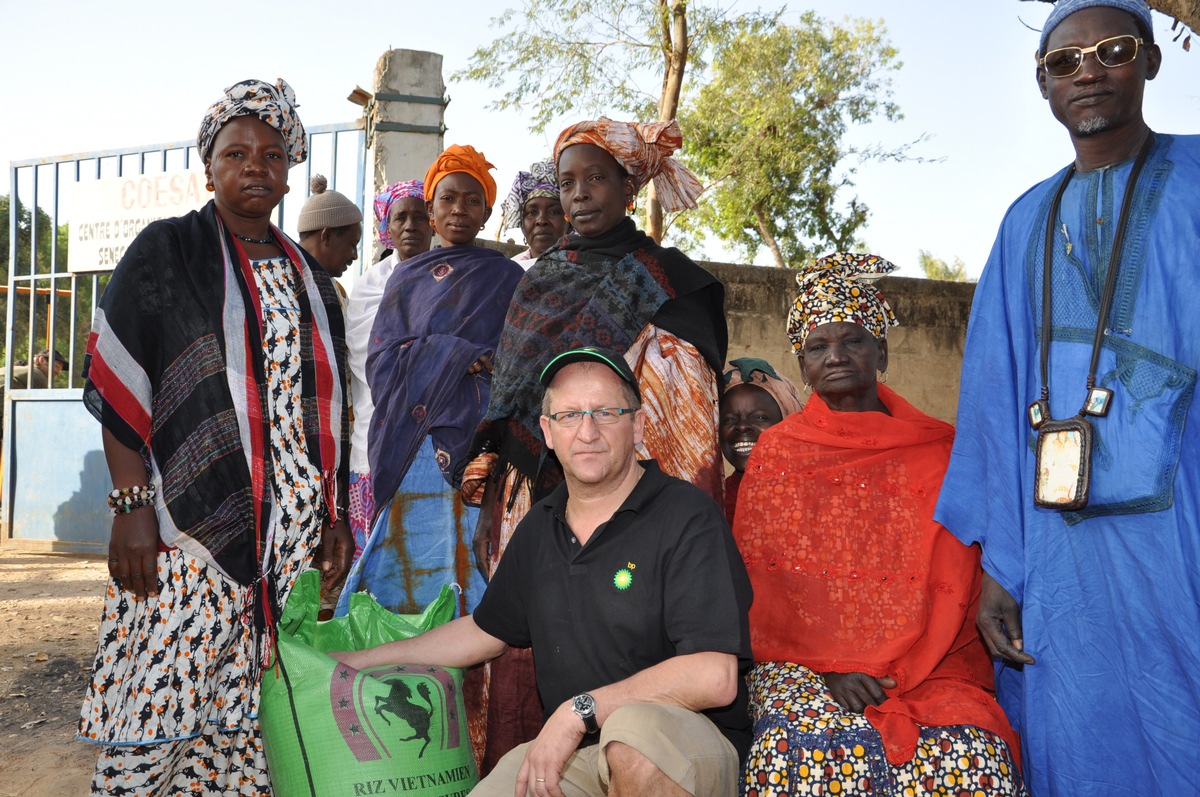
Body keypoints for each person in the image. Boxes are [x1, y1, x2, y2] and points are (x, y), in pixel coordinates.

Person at [934, 1, 1200, 793]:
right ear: (1043, 83)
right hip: (1060, 546)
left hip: (1180, 523)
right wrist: (999, 569)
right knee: (1074, 733)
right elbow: (990, 404)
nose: (1088, 70)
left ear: (1150, 62)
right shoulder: (1024, 221)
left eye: (1112, 50)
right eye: (1064, 60)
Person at [76, 78, 353, 796]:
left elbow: (327, 411)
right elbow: (120, 385)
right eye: (236, 152)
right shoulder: (167, 253)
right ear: (208, 167)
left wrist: (331, 518)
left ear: (290, 169)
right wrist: (131, 504)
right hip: (185, 533)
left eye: (270, 154)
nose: (254, 166)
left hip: (287, 544)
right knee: (157, 712)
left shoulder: (312, 281)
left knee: (250, 723)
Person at [337, 346, 752, 797]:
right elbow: (484, 631)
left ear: (638, 425)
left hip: (685, 745)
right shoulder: (541, 525)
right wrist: (352, 665)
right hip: (580, 752)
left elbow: (714, 676)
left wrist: (579, 711)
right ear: (548, 433)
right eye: (570, 415)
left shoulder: (685, 515)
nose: (588, 432)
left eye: (606, 413)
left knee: (633, 740)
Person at [465, 116, 727, 770]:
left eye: (596, 178)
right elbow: (515, 394)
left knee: (632, 653)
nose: (578, 194)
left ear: (629, 185)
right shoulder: (539, 277)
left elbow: (686, 398)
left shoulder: (672, 278)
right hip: (534, 504)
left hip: (631, 505)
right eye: (567, 181)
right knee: (524, 647)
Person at [734, 253, 1026, 797]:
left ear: (882, 351)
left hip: (936, 661)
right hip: (803, 667)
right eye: (818, 347)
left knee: (974, 753)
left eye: (854, 341)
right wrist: (827, 671)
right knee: (793, 752)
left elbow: (963, 571)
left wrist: (900, 660)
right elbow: (766, 590)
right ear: (801, 366)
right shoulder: (779, 451)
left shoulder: (943, 448)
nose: (836, 356)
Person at [337, 145, 523, 620]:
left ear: (485, 212)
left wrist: (484, 362)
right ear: (432, 212)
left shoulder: (506, 277)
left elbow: (520, 361)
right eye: (447, 200)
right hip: (412, 449)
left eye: (472, 200)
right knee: (403, 569)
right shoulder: (406, 279)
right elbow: (380, 362)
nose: (459, 209)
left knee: (475, 568)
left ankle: (470, 683)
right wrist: (460, 355)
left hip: (481, 450)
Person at [342, 179, 432, 562]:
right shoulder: (368, 287)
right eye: (401, 218)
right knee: (373, 567)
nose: (410, 225)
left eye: (420, 216)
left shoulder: (453, 276)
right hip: (372, 444)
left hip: (432, 448)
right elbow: (368, 363)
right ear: (388, 228)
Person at [719, 358, 803, 525]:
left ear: (786, 423)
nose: (742, 427)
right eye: (728, 419)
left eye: (759, 417)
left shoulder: (812, 497)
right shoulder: (712, 504)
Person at [498, 158, 568, 267]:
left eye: (554, 212)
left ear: (569, 221)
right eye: (532, 212)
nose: (541, 221)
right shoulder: (508, 270)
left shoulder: (586, 267)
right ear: (522, 223)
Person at [296, 173, 364, 284]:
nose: (355, 256)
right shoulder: (283, 279)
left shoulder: (334, 289)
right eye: (352, 244)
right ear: (326, 236)